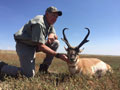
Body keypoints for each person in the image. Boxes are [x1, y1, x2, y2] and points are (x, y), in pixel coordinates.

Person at [0, 6, 69, 78]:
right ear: (47, 14)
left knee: (56, 43)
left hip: (34, 45)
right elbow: (41, 46)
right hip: (25, 45)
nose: (55, 19)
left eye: (56, 17)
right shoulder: (39, 23)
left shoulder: (49, 22)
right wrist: (58, 55)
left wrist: (52, 34)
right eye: (53, 15)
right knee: (28, 75)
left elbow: (52, 28)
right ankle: (2, 66)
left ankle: (43, 69)